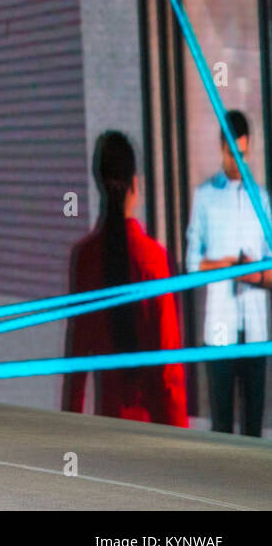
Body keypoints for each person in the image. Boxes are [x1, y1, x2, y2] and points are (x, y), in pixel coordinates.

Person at [61, 131, 187, 426]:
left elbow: (77, 360)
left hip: (109, 426)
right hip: (156, 429)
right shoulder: (153, 258)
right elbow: (169, 368)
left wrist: (67, 431)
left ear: (100, 184)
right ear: (135, 184)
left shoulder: (86, 257)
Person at [186, 109, 272, 436]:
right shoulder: (205, 197)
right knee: (221, 425)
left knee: (253, 428)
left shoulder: (260, 198)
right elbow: (192, 262)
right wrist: (224, 266)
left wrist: (254, 274)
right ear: (222, 147)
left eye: (244, 154)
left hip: (255, 326)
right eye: (233, 153)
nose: (239, 161)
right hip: (220, 327)